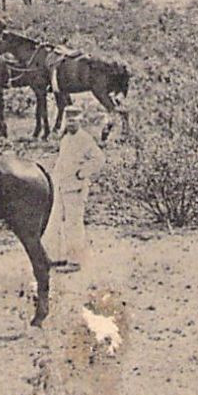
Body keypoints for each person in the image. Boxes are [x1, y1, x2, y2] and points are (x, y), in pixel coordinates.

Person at [47, 104, 109, 274]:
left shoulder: (85, 139)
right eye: (69, 121)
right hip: (61, 186)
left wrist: (83, 173)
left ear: (80, 121)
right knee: (55, 222)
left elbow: (99, 159)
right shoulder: (65, 138)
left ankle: (74, 261)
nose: (71, 124)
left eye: (74, 121)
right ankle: (58, 257)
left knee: (73, 224)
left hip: (76, 188)